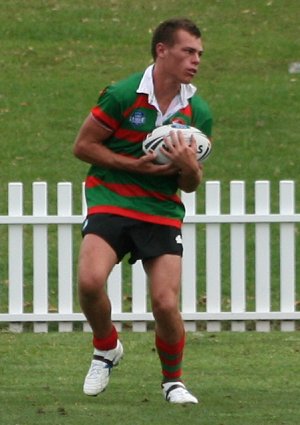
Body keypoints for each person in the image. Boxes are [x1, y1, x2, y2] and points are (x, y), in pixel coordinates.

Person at [73, 17, 213, 404]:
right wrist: (133, 165)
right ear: (162, 50)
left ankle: (173, 383)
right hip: (112, 197)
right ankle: (106, 348)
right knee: (89, 282)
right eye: (188, 51)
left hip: (161, 208)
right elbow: (83, 146)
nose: (195, 60)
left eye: (199, 54)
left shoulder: (197, 111)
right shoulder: (121, 94)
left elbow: (190, 184)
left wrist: (188, 167)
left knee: (165, 303)